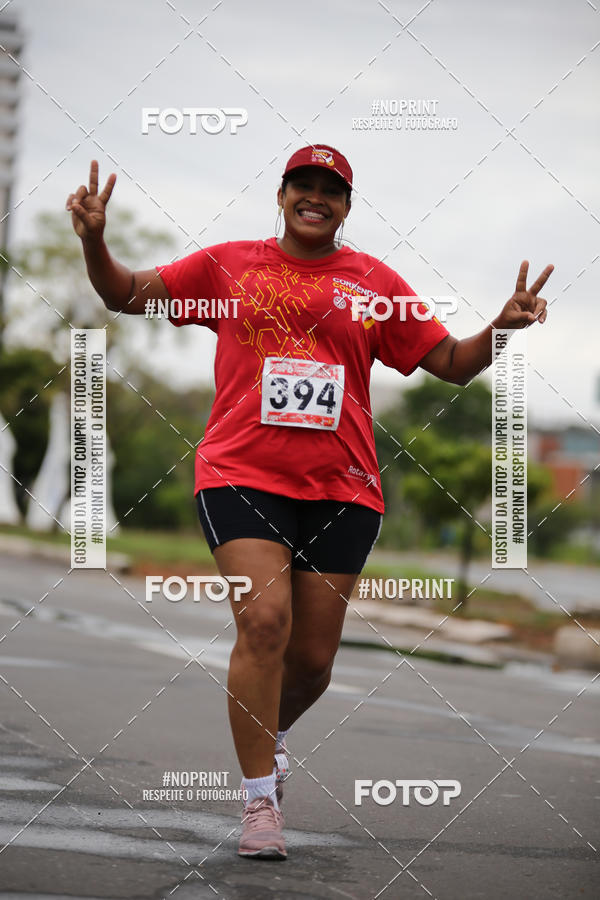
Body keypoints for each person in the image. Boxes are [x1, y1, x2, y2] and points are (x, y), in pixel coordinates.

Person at [67, 146, 552, 860]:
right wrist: (95, 241)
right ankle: (259, 801)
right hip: (240, 474)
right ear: (282, 194)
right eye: (304, 185)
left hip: (343, 488)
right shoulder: (228, 267)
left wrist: (502, 328)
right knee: (264, 623)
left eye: (332, 190)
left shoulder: (374, 284)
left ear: (347, 206)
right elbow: (126, 294)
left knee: (314, 660)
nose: (316, 197)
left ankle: (274, 737)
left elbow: (450, 363)